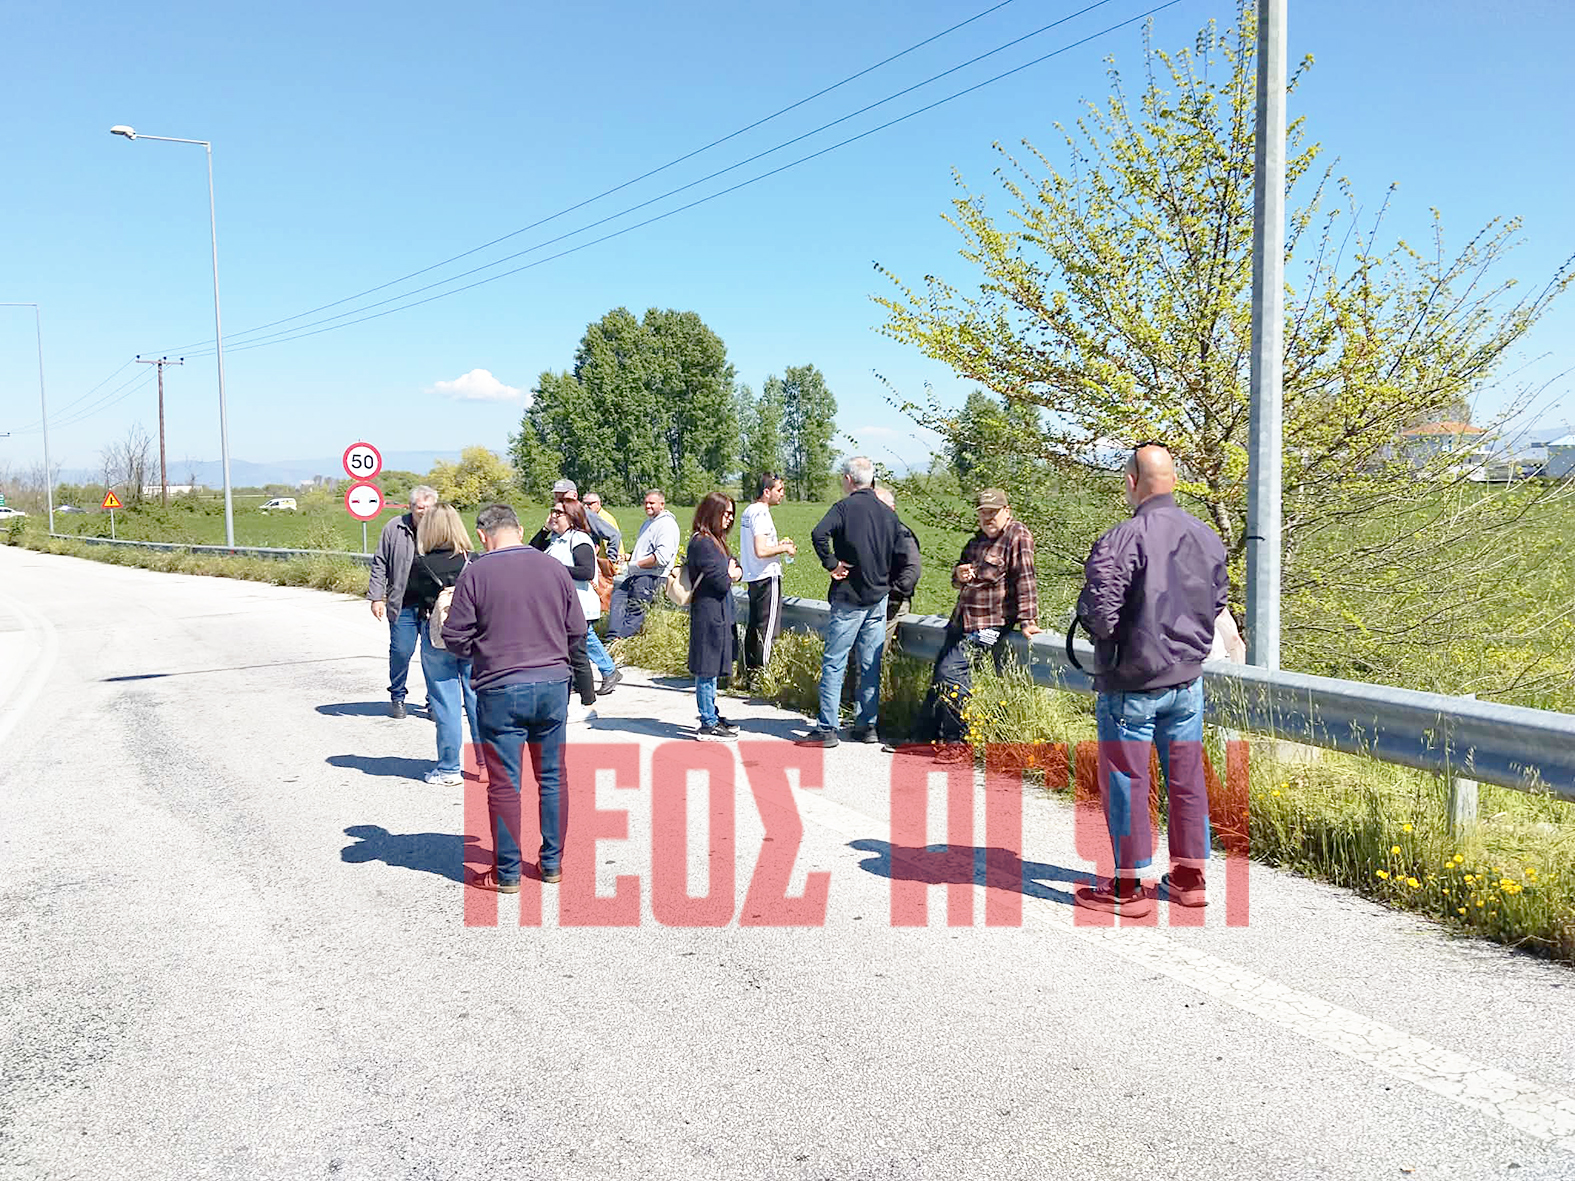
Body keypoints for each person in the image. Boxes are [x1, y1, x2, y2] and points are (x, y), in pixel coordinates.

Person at [1072, 442, 1229, 917]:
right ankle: (1189, 878)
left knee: (1127, 778)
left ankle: (1127, 888)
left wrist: (1102, 625)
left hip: (1132, 681)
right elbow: (1217, 601)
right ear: (1174, 480)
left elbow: (1100, 615)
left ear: (1131, 482)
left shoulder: (1122, 538)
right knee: (1187, 775)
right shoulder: (1205, 535)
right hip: (1187, 680)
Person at [442, 503, 585, 892]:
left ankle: (506, 874)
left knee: (505, 783)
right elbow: (577, 629)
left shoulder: (476, 573)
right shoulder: (554, 568)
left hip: (501, 687)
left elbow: (454, 636)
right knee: (552, 778)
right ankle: (552, 864)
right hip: (552, 684)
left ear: (483, 536)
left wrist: (483, 653)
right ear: (520, 530)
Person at [914, 488, 1040, 761]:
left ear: (1007, 511)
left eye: (993, 512)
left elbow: (1025, 578)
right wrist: (958, 574)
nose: (988, 518)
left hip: (991, 624)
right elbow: (957, 577)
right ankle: (924, 738)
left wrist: (1028, 621)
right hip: (962, 619)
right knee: (941, 676)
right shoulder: (976, 541)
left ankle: (957, 742)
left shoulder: (1017, 536)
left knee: (951, 672)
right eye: (983, 513)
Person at [799, 457, 912, 748]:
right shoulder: (887, 513)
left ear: (848, 479)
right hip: (878, 598)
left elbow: (818, 533)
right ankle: (866, 726)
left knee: (835, 662)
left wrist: (831, 563)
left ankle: (827, 728)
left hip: (849, 596)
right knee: (870, 662)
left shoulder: (843, 508)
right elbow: (902, 553)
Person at [404, 503, 481, 786]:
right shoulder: (474, 561)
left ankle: (449, 768)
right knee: (479, 700)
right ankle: (487, 765)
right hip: (473, 635)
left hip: (437, 637)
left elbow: (410, 601)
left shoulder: (420, 563)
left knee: (445, 704)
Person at [529, 499, 618, 710]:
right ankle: (577, 688)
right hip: (561, 606)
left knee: (577, 654)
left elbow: (586, 571)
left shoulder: (579, 539)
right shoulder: (556, 540)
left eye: (558, 513)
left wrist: (556, 568)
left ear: (571, 517)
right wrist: (544, 530)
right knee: (569, 651)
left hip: (578, 606)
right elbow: (531, 551)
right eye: (552, 511)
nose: (553, 515)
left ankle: (589, 701)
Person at [367, 484, 440, 718]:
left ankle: (434, 702)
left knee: (433, 656)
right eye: (420, 507)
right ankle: (397, 696)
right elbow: (380, 562)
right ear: (410, 507)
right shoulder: (394, 527)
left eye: (429, 507)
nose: (424, 512)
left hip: (433, 606)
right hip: (403, 604)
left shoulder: (441, 529)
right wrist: (377, 597)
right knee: (401, 651)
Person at [686, 492, 743, 740]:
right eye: (725, 513)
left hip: (719, 610)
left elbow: (736, 567)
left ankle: (712, 713)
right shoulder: (702, 543)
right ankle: (707, 722)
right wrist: (730, 573)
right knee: (707, 668)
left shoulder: (716, 540)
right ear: (712, 512)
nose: (729, 518)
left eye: (731, 514)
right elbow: (721, 581)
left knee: (713, 666)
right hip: (708, 612)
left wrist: (732, 572)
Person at [738, 472, 797, 690]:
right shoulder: (762, 513)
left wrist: (777, 545)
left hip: (753, 576)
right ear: (766, 491)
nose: (782, 494)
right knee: (768, 630)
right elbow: (761, 550)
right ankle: (764, 678)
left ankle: (748, 676)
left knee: (754, 626)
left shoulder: (749, 511)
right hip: (767, 576)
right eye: (779, 490)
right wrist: (784, 547)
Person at [606, 489, 680, 639]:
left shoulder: (667, 525)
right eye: (646, 503)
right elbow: (645, 551)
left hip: (651, 577)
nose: (647, 506)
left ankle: (621, 641)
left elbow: (661, 558)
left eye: (652, 503)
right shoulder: (648, 523)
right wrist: (627, 556)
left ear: (662, 504)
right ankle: (612, 639)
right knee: (617, 600)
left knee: (634, 613)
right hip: (637, 574)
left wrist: (636, 564)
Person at [873, 485, 922, 656]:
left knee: (873, 654)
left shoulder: (901, 534)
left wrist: (892, 594)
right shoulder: (868, 533)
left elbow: (912, 568)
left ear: (892, 508)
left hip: (891, 603)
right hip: (868, 601)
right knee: (856, 655)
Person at [551, 478, 621, 559]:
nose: (558, 499)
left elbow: (614, 535)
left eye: (563, 496)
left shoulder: (586, 514)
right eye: (556, 496)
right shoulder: (554, 515)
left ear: (574, 495)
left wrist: (610, 560)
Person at [581, 491, 620, 556]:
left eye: (589, 504)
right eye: (584, 503)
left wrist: (611, 559)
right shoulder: (592, 517)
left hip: (607, 559)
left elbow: (613, 538)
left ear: (598, 503)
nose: (585, 506)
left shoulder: (604, 518)